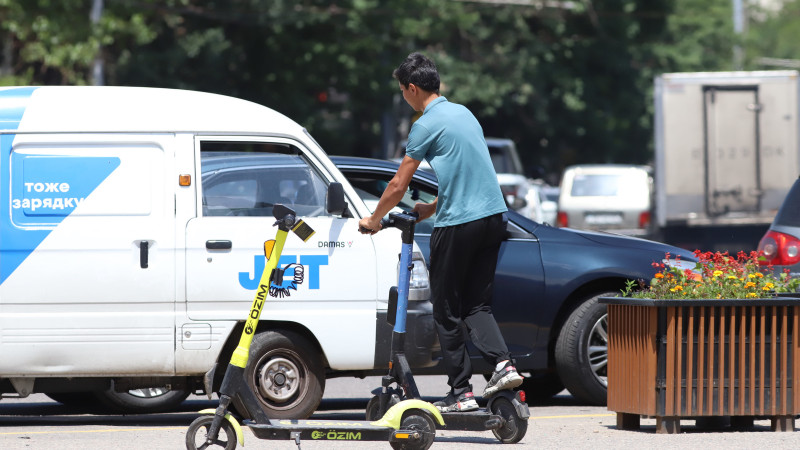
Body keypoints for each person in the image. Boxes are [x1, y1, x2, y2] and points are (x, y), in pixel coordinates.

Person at [358, 52, 523, 413]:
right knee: (476, 304)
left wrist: (373, 219)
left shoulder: (424, 125)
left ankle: (460, 393)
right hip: (493, 217)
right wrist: (431, 208)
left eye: (402, 91)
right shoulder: (464, 113)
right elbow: (467, 173)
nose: (404, 97)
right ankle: (504, 365)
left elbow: (398, 184)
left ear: (412, 88)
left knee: (446, 310)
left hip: (459, 224)